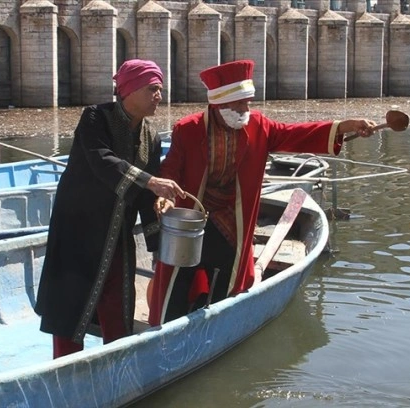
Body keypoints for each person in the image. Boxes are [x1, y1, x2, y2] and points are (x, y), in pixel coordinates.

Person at [147, 59, 377, 325]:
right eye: (242, 102)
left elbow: (296, 134)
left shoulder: (259, 125)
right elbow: (171, 169)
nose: (247, 108)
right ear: (222, 103)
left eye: (249, 101)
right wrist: (164, 195)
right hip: (193, 220)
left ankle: (217, 322)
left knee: (226, 278)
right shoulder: (188, 129)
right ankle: (165, 327)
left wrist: (345, 126)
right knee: (178, 277)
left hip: (233, 221)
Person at [34, 59, 185, 358]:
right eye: (153, 88)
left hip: (118, 234)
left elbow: (144, 195)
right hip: (78, 230)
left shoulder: (151, 136)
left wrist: (159, 242)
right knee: (71, 304)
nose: (159, 95)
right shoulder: (95, 118)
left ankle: (116, 361)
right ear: (129, 90)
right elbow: (101, 160)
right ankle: (65, 367)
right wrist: (150, 180)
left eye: (160, 89)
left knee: (118, 301)